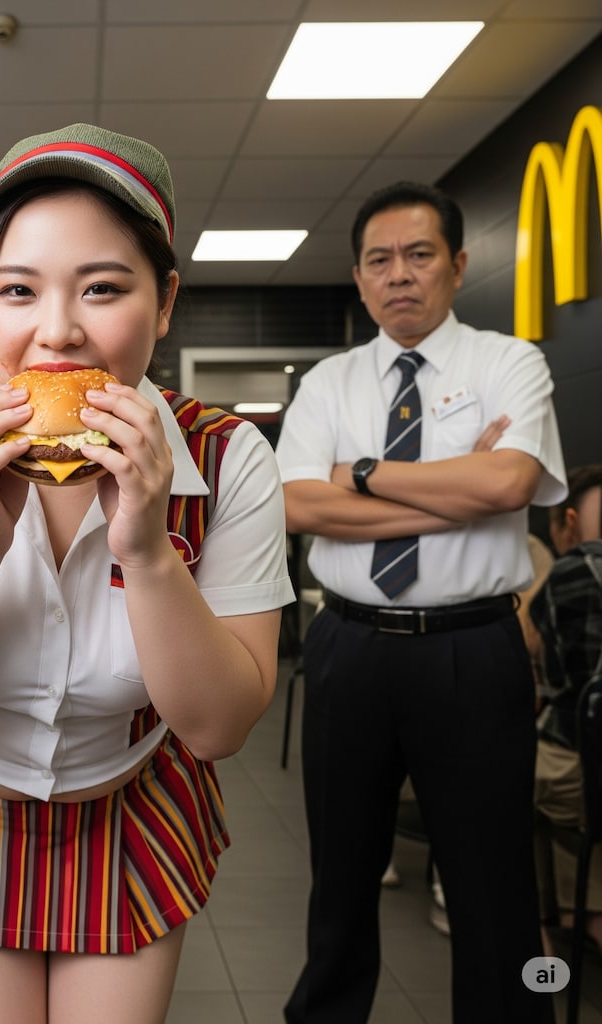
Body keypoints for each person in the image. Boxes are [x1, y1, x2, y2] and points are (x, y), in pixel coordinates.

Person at [0, 122, 293, 1024]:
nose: (57, 332)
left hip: (136, 800)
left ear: (163, 303)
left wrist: (148, 548)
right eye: (17, 291)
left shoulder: (227, 455)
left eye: (103, 288)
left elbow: (217, 727)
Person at [275, 180, 566, 1023]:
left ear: (457, 265)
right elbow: (297, 504)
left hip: (473, 649)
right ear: (360, 279)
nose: (399, 275)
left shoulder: (508, 362)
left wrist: (362, 473)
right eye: (379, 260)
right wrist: (457, 492)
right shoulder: (329, 381)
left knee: (494, 880)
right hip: (351, 646)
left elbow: (510, 481)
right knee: (340, 876)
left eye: (419, 255)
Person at [531, 465, 602, 949]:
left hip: (579, 754)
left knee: (499, 786)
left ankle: (550, 925)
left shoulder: (569, 572)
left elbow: (542, 664)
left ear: (569, 522)